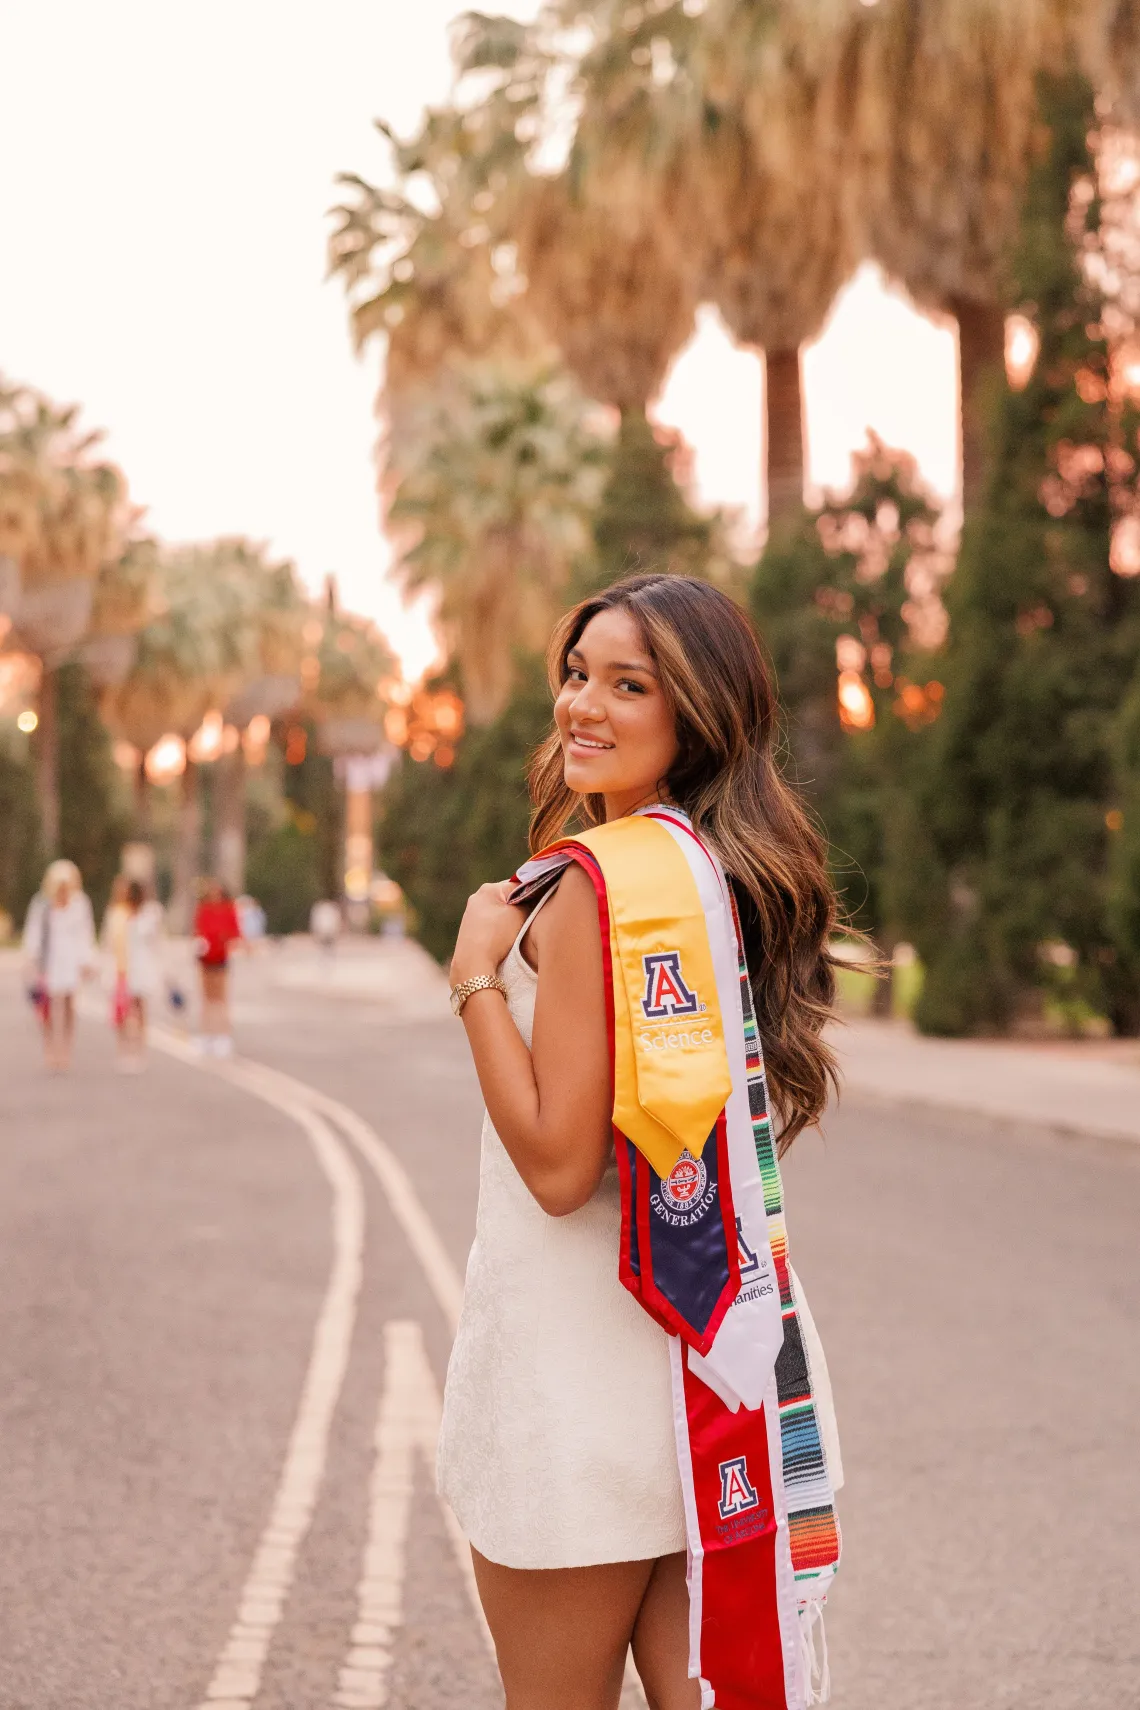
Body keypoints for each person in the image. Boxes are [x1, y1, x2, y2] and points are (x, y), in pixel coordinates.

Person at [437, 575, 846, 1710]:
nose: (585, 706)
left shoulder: (589, 891)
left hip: (578, 1396)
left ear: (696, 716)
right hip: (720, 1366)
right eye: (578, 675)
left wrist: (474, 974)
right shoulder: (722, 879)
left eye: (630, 685)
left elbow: (561, 1170)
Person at [22, 859, 97, 1071]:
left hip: (71, 959)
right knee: (48, 1006)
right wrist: (31, 959)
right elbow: (34, 932)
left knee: (69, 1005)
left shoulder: (80, 903)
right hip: (50, 960)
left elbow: (85, 932)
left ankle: (65, 1048)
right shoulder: (42, 903)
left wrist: (87, 960)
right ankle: (50, 1046)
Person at [116, 880, 164, 1070]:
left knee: (141, 1010)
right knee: (126, 1010)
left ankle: (140, 1050)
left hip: (143, 966)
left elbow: (155, 940)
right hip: (128, 965)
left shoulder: (150, 914)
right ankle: (126, 1049)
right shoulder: (122, 914)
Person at [192, 878, 242, 1056]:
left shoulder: (229, 908)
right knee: (207, 999)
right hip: (205, 958)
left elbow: (235, 933)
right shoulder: (204, 909)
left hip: (221, 958)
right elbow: (198, 930)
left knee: (221, 999)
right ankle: (207, 1035)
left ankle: (223, 1036)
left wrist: (224, 940)